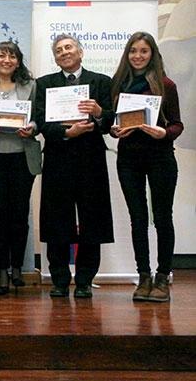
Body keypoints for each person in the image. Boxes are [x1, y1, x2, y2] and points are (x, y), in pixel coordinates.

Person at [35, 33, 115, 299]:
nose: (64, 52)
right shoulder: (45, 84)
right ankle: (59, 280)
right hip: (58, 159)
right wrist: (68, 133)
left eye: (69, 47)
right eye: (59, 50)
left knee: (93, 220)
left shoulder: (102, 82)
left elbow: (114, 121)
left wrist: (99, 113)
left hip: (91, 160)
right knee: (57, 219)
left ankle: (83, 281)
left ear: (80, 52)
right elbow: (40, 123)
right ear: (55, 58)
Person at [110, 32, 183, 302]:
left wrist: (164, 134)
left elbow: (177, 124)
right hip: (128, 159)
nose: (138, 56)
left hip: (160, 158)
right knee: (138, 219)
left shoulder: (166, 85)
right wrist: (114, 130)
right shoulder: (119, 84)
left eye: (143, 51)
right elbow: (111, 123)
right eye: (133, 51)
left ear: (152, 54)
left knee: (163, 217)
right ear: (127, 55)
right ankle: (143, 276)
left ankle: (163, 276)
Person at [0, 41, 41, 294]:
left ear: (18, 61)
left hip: (22, 157)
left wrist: (33, 127)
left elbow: (40, 116)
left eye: (12, 56)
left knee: (19, 215)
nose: (6, 60)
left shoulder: (31, 86)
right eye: (2, 55)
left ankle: (18, 268)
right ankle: (1, 270)